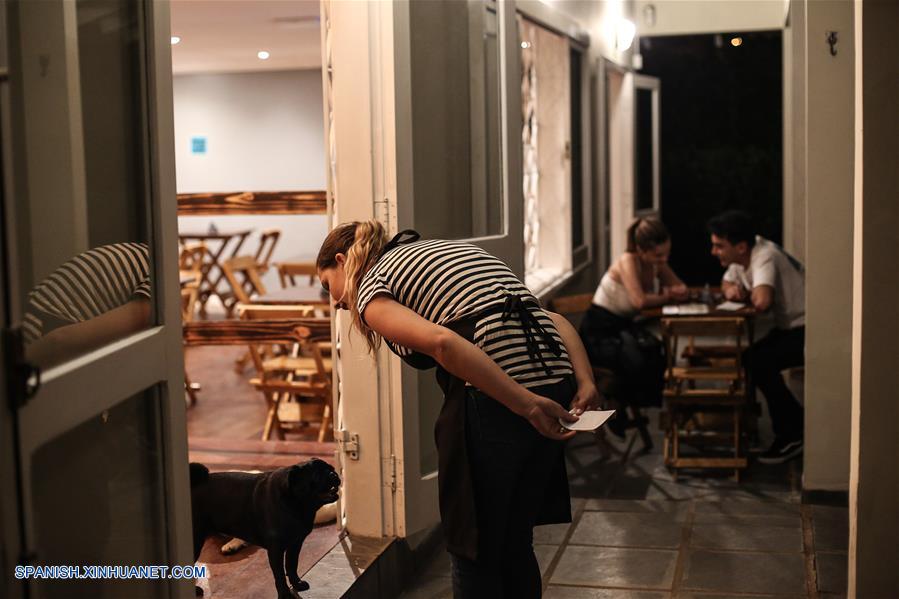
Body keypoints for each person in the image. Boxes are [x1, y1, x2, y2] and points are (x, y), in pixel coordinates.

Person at [316, 221, 599, 599]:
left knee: (473, 547)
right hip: (557, 379)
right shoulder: (441, 251)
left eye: (327, 284)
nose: (334, 301)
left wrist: (526, 404)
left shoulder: (371, 286)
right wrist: (586, 383)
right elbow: (554, 320)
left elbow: (443, 344)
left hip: (502, 402)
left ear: (342, 260)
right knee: (515, 540)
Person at [708, 210, 806, 464]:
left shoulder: (764, 256)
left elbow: (762, 301)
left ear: (740, 247)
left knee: (758, 361)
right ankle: (755, 425)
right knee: (751, 358)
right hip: (789, 327)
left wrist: (744, 292)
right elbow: (726, 282)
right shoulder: (745, 252)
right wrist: (732, 290)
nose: (714, 251)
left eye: (719, 246)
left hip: (808, 329)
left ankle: (793, 432)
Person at [578, 217, 687, 432]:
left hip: (622, 327)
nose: (663, 259)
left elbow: (680, 288)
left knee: (654, 350)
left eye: (667, 253)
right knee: (635, 356)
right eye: (658, 255)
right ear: (641, 249)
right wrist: (667, 296)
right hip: (599, 331)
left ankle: (635, 406)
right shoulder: (628, 260)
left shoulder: (657, 263)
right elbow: (640, 301)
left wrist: (673, 291)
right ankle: (617, 408)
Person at [23, 242, 152, 369]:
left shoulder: (152, 260)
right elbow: (60, 342)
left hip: (29, 331)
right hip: (36, 344)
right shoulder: (166, 278)